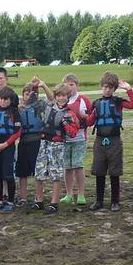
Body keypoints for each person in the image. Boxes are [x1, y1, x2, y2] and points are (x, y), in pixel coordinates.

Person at [85, 71, 133, 211]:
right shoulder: (96, 103)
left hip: (114, 140)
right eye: (105, 87)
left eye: (110, 87)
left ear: (114, 89)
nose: (107, 90)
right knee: (99, 171)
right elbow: (89, 122)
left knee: (114, 172)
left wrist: (129, 89)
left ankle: (115, 201)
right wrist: (93, 114)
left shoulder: (118, 102)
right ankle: (99, 201)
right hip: (100, 141)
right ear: (101, 87)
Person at [33, 84, 79, 214]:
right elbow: (48, 97)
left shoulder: (69, 113)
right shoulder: (49, 106)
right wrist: (42, 85)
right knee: (39, 172)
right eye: (58, 95)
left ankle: (54, 203)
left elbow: (73, 133)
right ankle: (39, 201)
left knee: (56, 174)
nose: (61, 98)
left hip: (57, 145)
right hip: (44, 143)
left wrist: (66, 124)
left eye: (63, 96)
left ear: (67, 97)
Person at [0, 87, 22, 211]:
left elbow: (17, 132)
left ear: (10, 100)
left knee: (8, 175)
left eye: (5, 99)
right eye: (1, 99)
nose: (3, 101)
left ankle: (11, 201)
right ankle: (0, 200)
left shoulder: (14, 112)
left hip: (7, 147)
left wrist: (6, 144)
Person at [15, 78, 49, 206]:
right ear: (23, 95)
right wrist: (17, 108)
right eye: (26, 93)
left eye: (32, 93)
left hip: (37, 142)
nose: (29, 96)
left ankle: (38, 197)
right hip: (23, 142)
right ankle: (23, 197)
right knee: (22, 172)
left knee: (38, 171)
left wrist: (41, 85)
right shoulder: (18, 109)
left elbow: (51, 100)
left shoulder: (40, 106)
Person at [61, 73, 91, 207]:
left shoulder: (83, 99)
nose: (69, 87)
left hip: (79, 138)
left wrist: (85, 118)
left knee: (78, 166)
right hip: (65, 139)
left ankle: (81, 194)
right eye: (67, 85)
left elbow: (91, 116)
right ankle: (68, 194)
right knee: (67, 167)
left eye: (72, 84)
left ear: (77, 86)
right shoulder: (61, 100)